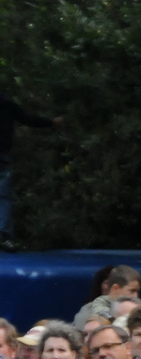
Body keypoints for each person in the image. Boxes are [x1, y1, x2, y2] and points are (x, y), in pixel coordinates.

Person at [0, 91, 60, 247]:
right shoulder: (6, 102)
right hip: (2, 155)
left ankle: (4, 235)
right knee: (4, 197)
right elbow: (28, 119)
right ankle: (4, 236)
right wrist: (51, 122)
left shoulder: (7, 103)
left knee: (4, 196)